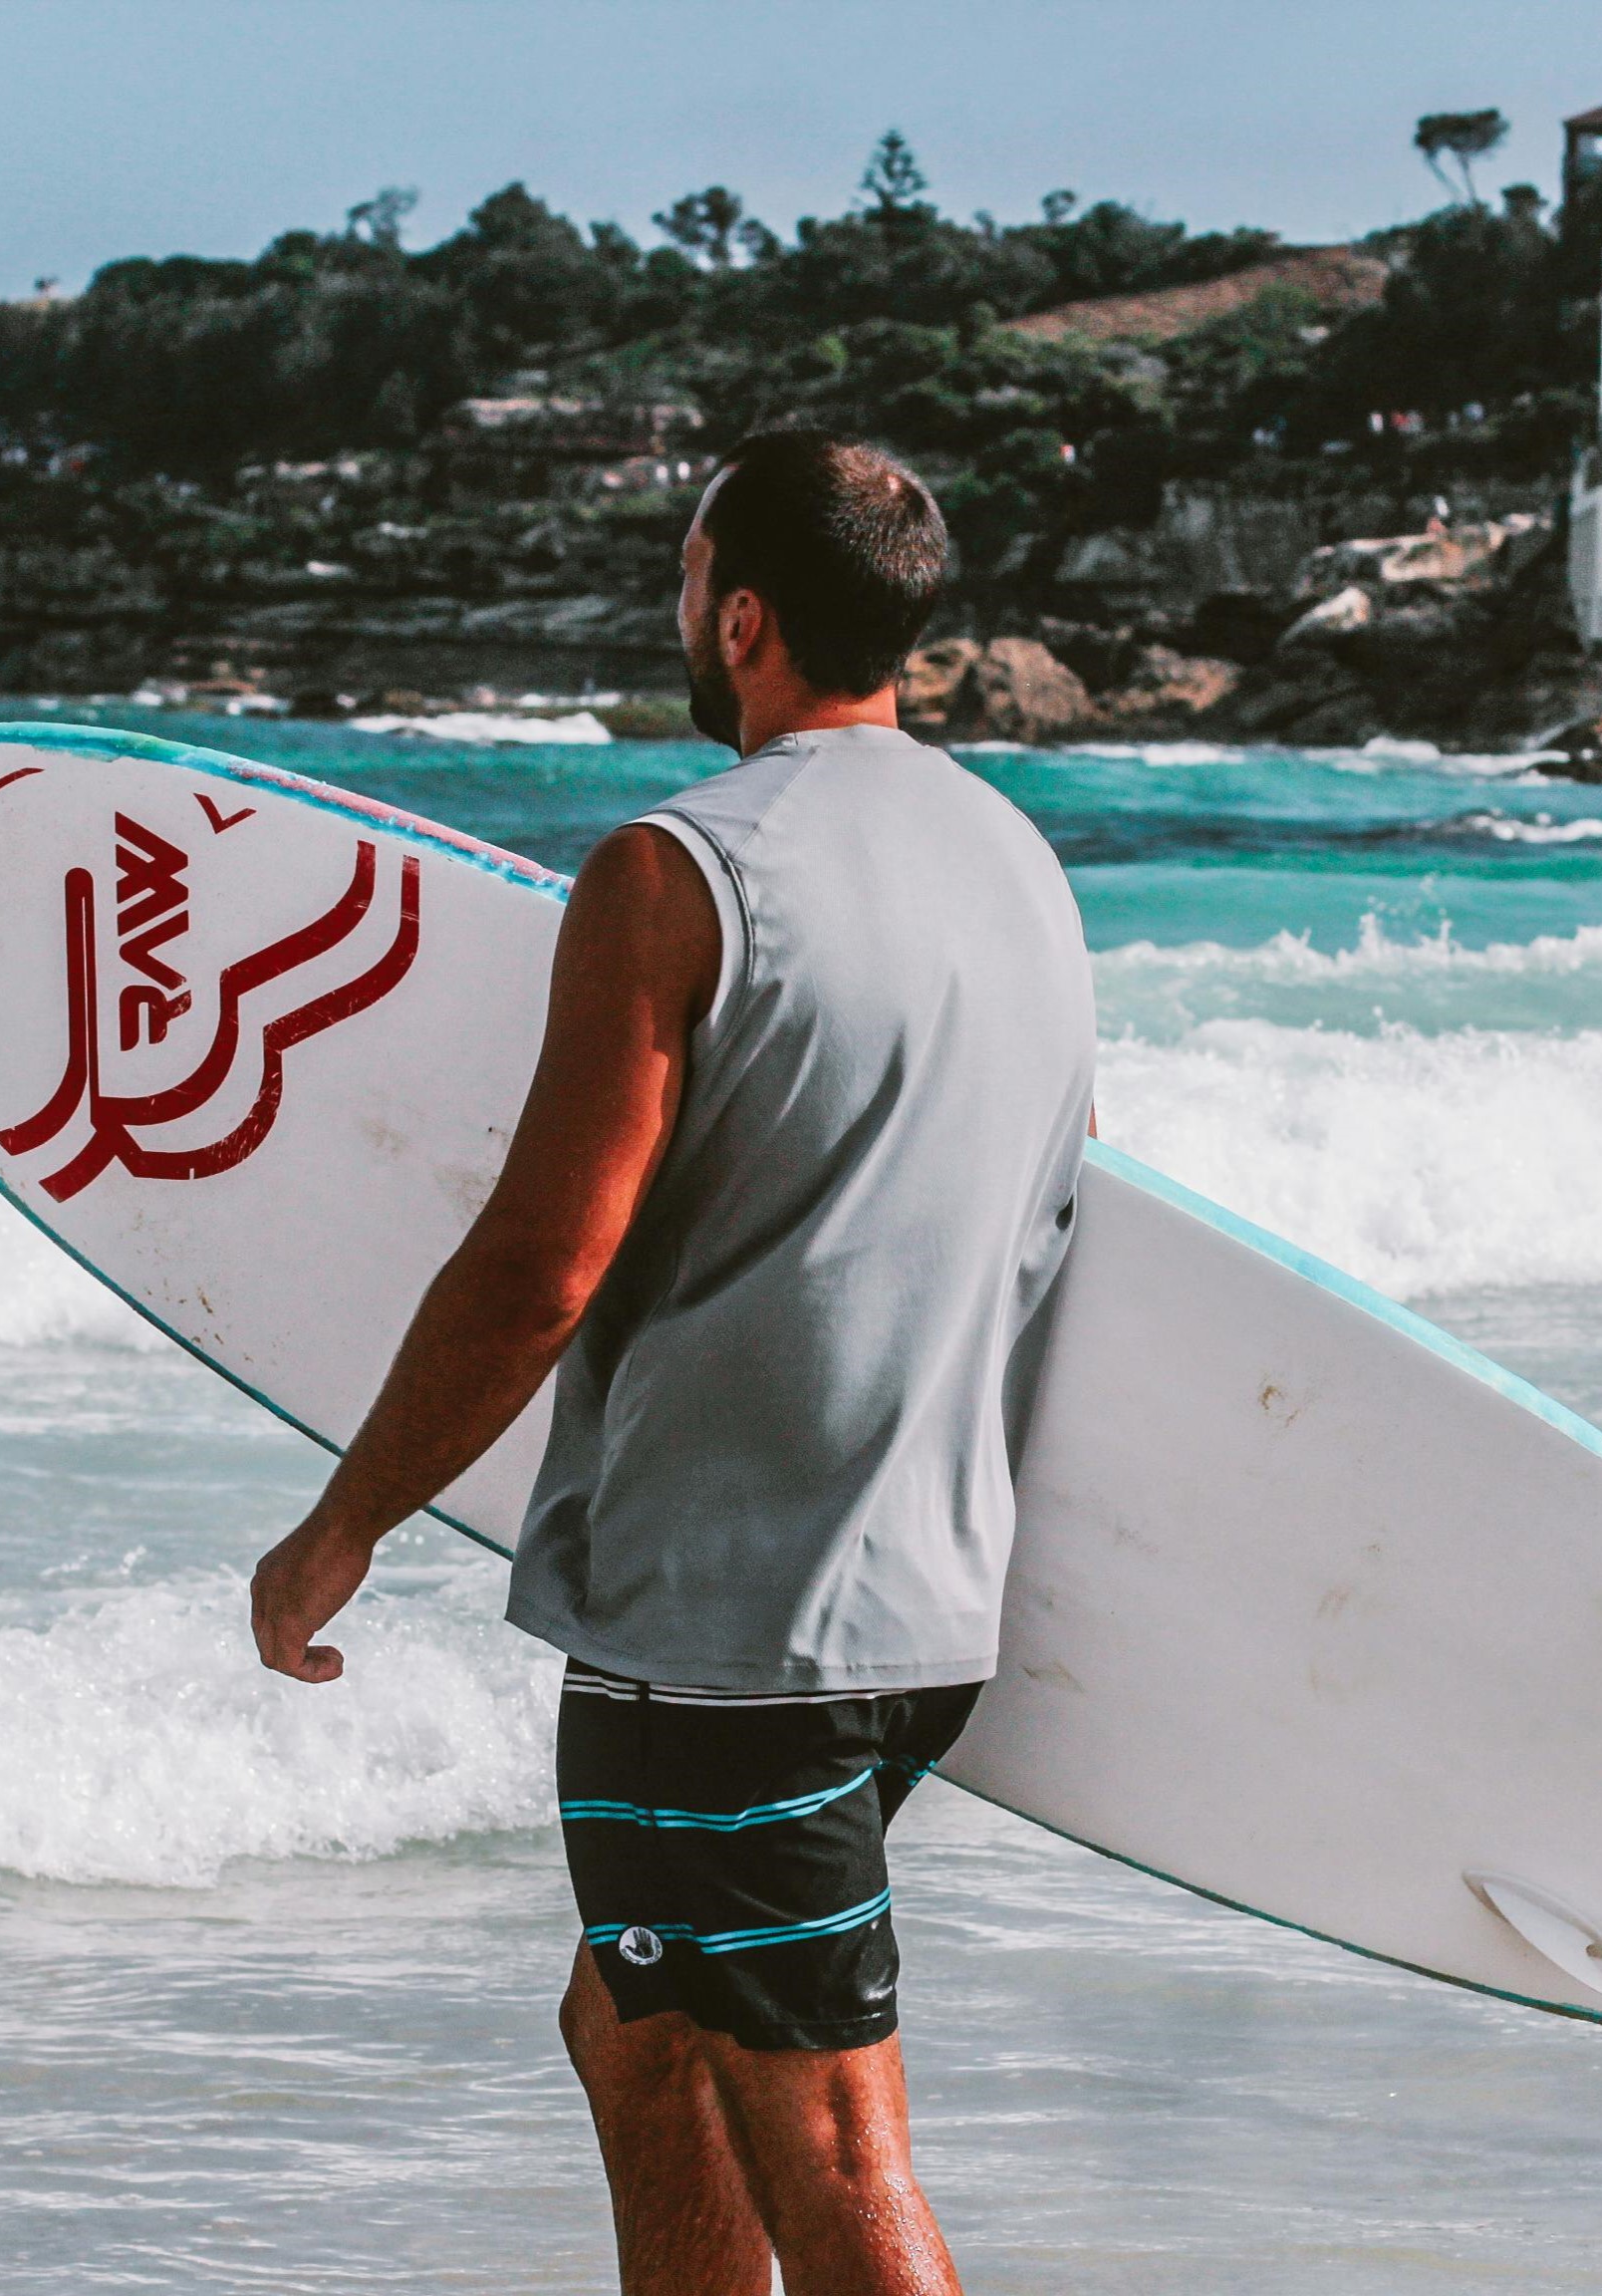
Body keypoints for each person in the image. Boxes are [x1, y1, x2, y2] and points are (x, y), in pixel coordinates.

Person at [251, 431, 1097, 2295]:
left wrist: (343, 1526)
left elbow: (540, 1265)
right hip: (918, 1604)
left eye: (686, 567)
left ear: (743, 614)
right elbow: (1045, 1224)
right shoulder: (1019, 866)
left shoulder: (679, 871)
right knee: (639, 2045)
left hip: (727, 1639)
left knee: (825, 2138)